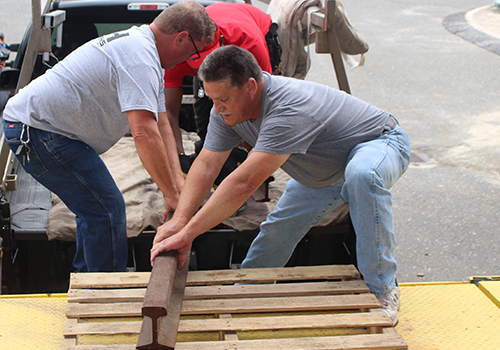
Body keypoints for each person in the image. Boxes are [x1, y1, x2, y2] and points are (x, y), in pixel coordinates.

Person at [150, 45, 411, 325]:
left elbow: (244, 183)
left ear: (251, 86)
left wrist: (188, 234)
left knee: (362, 176)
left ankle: (382, 290)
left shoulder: (287, 107)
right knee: (277, 231)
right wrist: (180, 220)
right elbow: (205, 166)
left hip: (378, 144)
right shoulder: (224, 110)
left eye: (223, 98)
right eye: (212, 98)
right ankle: (248, 293)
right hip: (325, 171)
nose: (216, 108)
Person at [2, 0, 216, 273]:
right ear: (182, 38)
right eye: (194, 51)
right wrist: (171, 194)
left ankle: (87, 281)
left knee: (93, 207)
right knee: (105, 209)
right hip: (38, 131)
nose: (190, 61)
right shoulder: (139, 57)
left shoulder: (146, 51)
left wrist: (176, 188)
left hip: (52, 130)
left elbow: (162, 123)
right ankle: (105, 291)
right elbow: (144, 133)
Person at [164, 2, 276, 155]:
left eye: (208, 60)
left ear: (222, 43)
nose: (204, 67)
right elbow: (169, 113)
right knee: (205, 118)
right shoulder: (176, 59)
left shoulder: (249, 42)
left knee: (243, 111)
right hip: (219, 34)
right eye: (198, 63)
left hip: (256, 29)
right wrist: (177, 158)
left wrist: (244, 153)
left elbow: (263, 102)